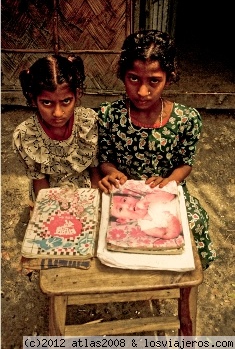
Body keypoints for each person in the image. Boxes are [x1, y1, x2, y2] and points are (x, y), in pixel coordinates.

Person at [97, 29, 216, 269]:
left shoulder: (186, 119)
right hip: (123, 195)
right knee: (101, 229)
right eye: (133, 78)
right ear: (122, 75)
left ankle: (180, 274)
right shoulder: (109, 115)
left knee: (193, 222)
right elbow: (105, 159)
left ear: (169, 78)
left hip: (165, 192)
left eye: (154, 81)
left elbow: (185, 163)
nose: (142, 91)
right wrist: (111, 173)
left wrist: (169, 181)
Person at [13, 54, 101, 207]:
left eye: (66, 101)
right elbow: (40, 182)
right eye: (47, 102)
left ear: (77, 94)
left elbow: (94, 168)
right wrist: (47, 211)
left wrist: (94, 202)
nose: (58, 113)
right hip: (49, 193)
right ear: (33, 99)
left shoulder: (87, 122)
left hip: (85, 190)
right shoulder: (27, 136)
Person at [110, 191, 182, 240]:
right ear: (123, 219)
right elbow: (167, 234)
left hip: (183, 204)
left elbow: (171, 196)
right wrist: (172, 220)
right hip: (184, 222)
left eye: (124, 200)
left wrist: (147, 200)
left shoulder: (148, 198)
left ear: (131, 196)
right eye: (120, 209)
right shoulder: (146, 227)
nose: (127, 205)